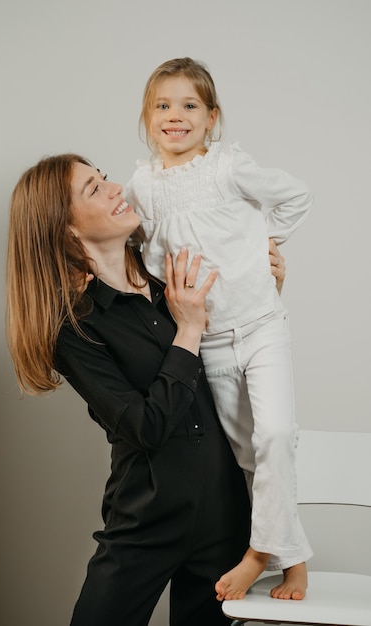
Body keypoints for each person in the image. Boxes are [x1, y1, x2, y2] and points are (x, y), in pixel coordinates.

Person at [6, 153, 255, 626]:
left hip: (225, 512)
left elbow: (236, 366)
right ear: (66, 229)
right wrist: (188, 330)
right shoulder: (74, 329)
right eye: (94, 190)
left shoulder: (172, 273)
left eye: (104, 178)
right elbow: (146, 426)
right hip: (146, 519)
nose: (116, 187)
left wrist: (267, 288)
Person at [125, 56, 313, 601]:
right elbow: (140, 251)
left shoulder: (228, 167)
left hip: (259, 326)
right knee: (250, 457)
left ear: (211, 117)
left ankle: (260, 554)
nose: (174, 115)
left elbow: (297, 195)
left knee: (277, 434)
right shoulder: (142, 184)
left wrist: (264, 247)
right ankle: (295, 560)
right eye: (162, 105)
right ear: (147, 115)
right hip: (209, 344)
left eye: (189, 105)